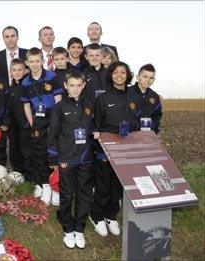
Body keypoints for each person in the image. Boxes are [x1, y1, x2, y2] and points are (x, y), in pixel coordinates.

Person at [90, 61, 138, 237]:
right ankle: (97, 216)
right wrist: (98, 147)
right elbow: (95, 125)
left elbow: (140, 122)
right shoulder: (102, 98)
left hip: (126, 150)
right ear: (110, 75)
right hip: (105, 150)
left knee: (117, 186)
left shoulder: (133, 96)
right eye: (115, 72)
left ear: (128, 75)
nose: (119, 75)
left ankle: (111, 215)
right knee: (103, 185)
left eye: (123, 72)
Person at [47, 71, 94, 249]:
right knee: (66, 194)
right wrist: (54, 158)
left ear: (83, 86)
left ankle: (79, 228)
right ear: (65, 86)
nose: (75, 89)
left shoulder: (90, 105)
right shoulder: (58, 108)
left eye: (78, 85)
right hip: (66, 159)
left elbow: (95, 128)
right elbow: (53, 134)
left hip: (86, 159)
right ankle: (67, 227)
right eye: (71, 85)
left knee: (84, 194)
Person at [21, 47, 62, 205]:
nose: (35, 64)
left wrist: (57, 121)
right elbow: (26, 106)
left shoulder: (52, 76)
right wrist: (33, 124)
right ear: (27, 63)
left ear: (43, 61)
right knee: (40, 152)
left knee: (54, 151)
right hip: (37, 119)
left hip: (53, 115)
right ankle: (45, 185)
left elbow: (58, 99)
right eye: (31, 61)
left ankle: (56, 186)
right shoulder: (25, 82)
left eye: (37, 61)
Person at [5, 58, 32, 179]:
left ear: (26, 70)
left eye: (20, 70)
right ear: (10, 71)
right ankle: (18, 173)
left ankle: (30, 175)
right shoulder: (11, 89)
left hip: (28, 124)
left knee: (28, 149)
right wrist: (6, 122)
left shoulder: (29, 85)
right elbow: (9, 107)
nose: (17, 72)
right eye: (14, 70)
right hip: (14, 125)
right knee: (14, 149)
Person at [128, 64, 162, 133]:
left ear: (154, 79)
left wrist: (154, 130)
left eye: (151, 78)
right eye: (145, 77)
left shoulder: (155, 96)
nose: (148, 80)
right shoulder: (127, 93)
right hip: (130, 135)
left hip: (148, 136)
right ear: (137, 77)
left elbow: (157, 116)